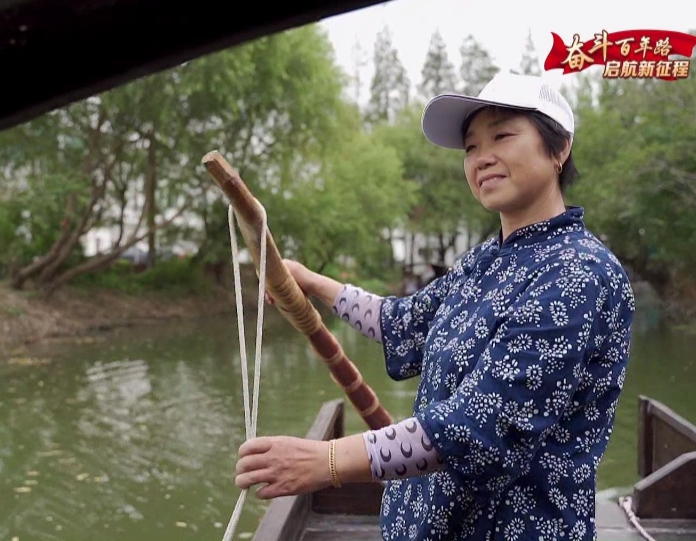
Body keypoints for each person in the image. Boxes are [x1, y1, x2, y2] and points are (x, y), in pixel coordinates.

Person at [234, 71, 636, 541]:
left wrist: (327, 461)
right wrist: (311, 281)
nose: (482, 158)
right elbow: (401, 322)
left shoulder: (579, 272)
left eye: (502, 136)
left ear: (559, 147)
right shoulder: (484, 261)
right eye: (470, 147)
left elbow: (479, 425)